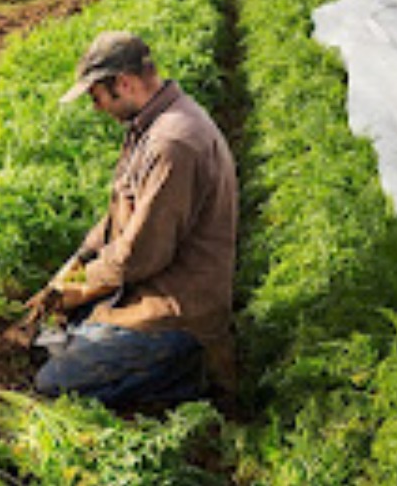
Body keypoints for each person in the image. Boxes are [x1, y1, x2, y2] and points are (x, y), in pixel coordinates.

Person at [26, 30, 238, 408]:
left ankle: (188, 375)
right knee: (56, 338)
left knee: (55, 383)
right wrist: (73, 266)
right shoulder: (148, 126)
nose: (96, 108)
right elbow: (114, 219)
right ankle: (122, 346)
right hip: (144, 285)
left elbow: (139, 255)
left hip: (175, 310)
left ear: (123, 84)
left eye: (97, 97)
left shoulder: (172, 143)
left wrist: (78, 287)